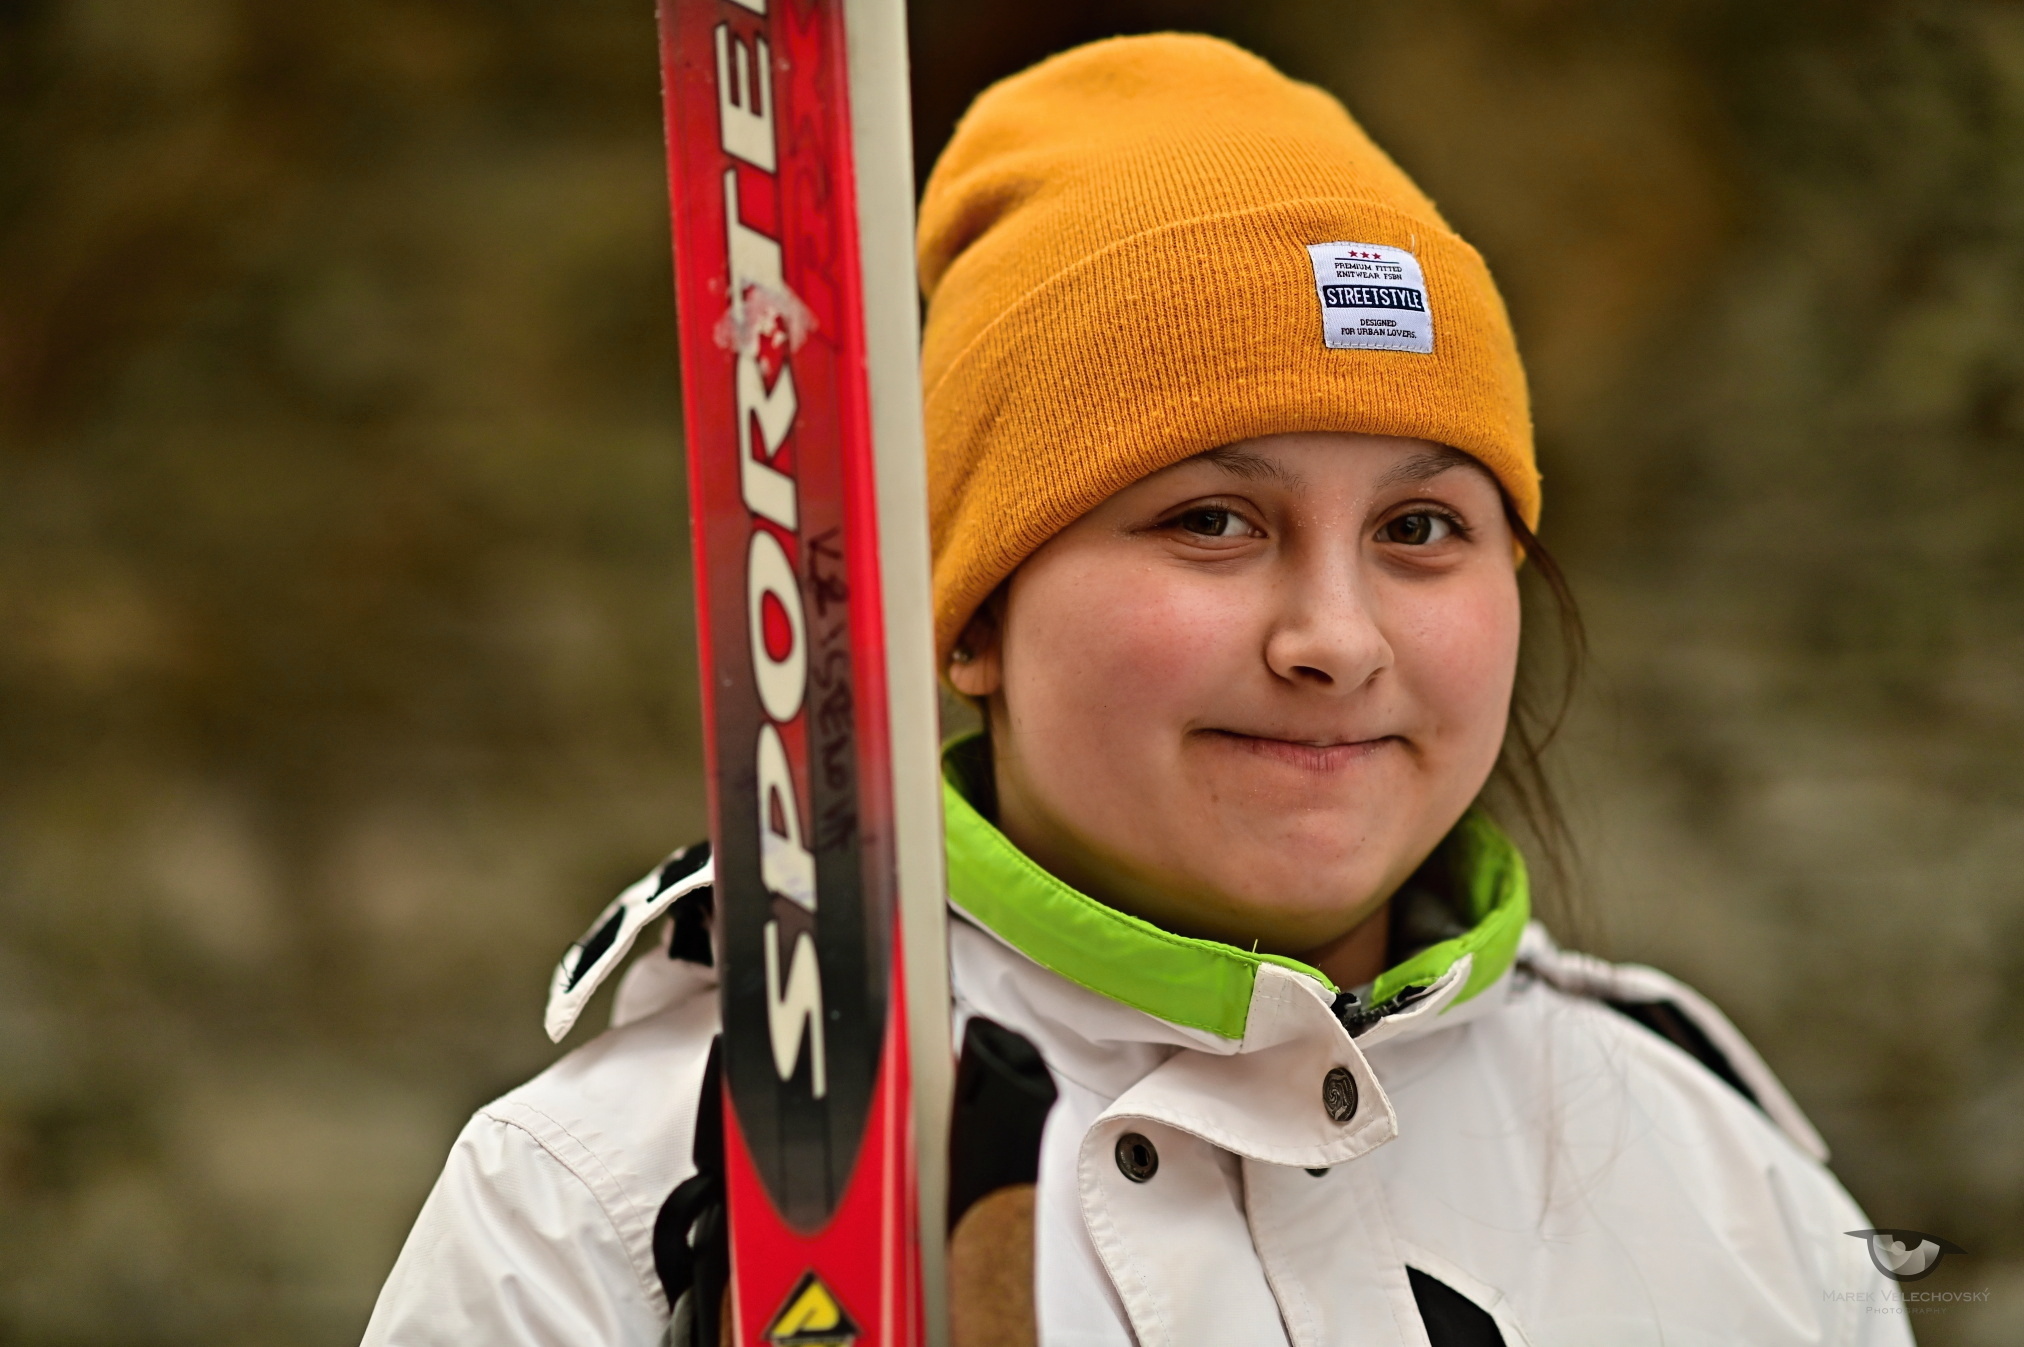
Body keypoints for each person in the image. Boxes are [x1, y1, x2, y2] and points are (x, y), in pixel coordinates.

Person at [363, 34, 1910, 1347]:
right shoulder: (616, 1202)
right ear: (973, 618)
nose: (1336, 638)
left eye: (1421, 529)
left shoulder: (1720, 1177)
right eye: (1212, 521)